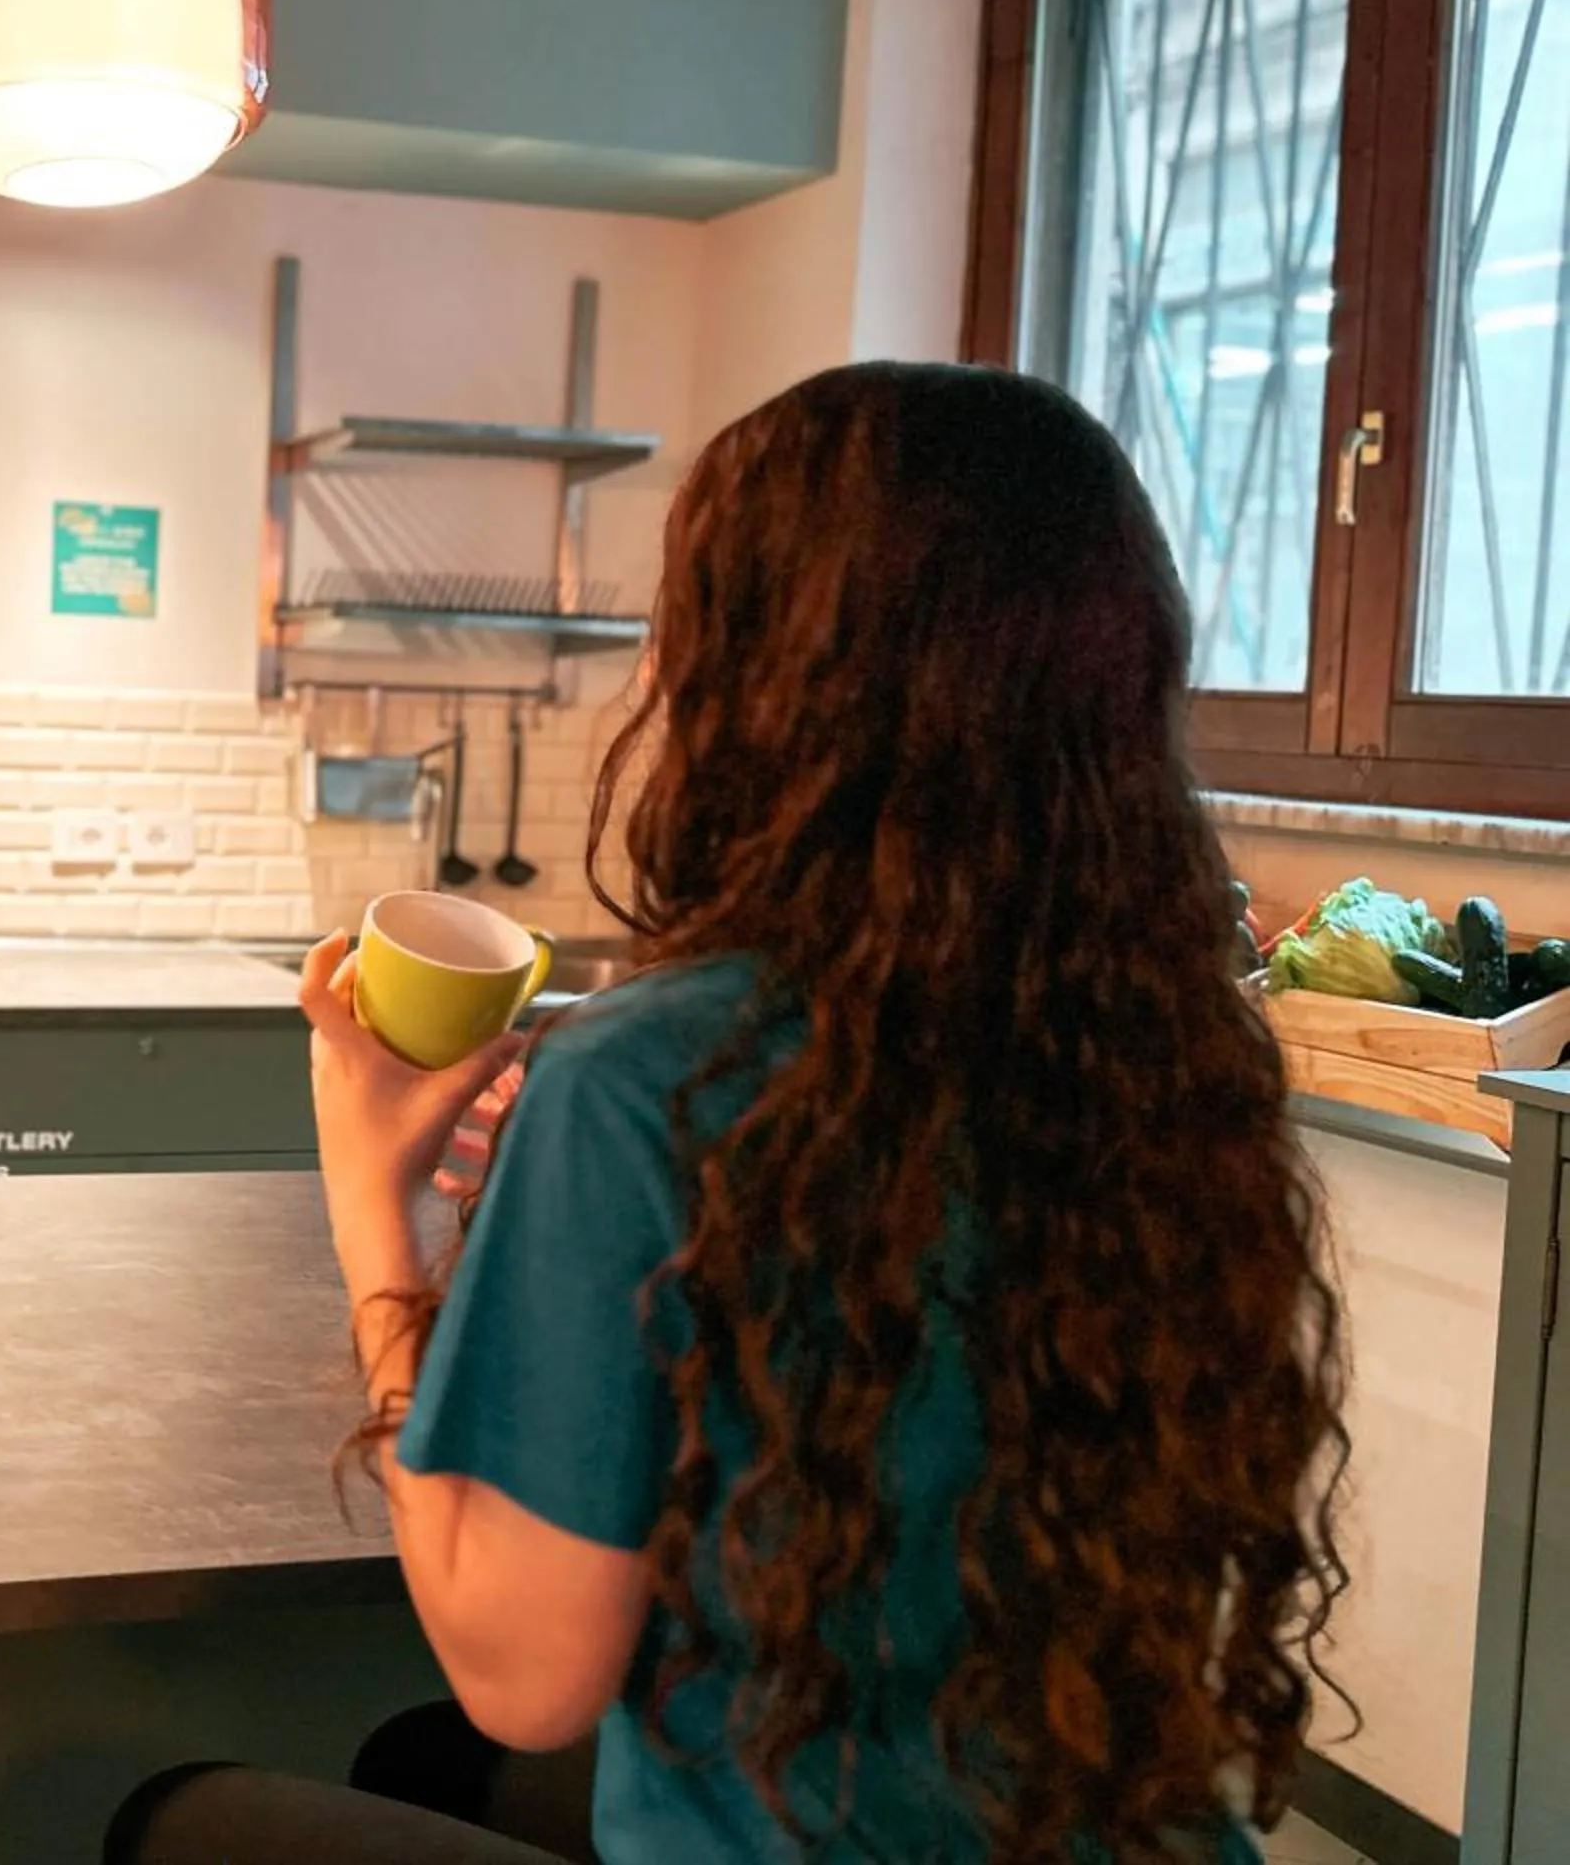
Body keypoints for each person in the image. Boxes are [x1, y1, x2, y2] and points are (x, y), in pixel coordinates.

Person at [108, 364, 1350, 1863]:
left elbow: (526, 1677)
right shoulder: (1160, 1057)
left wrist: (380, 1198)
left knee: (183, 1825)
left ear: (768, 679)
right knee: (411, 1761)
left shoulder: (651, 1077)